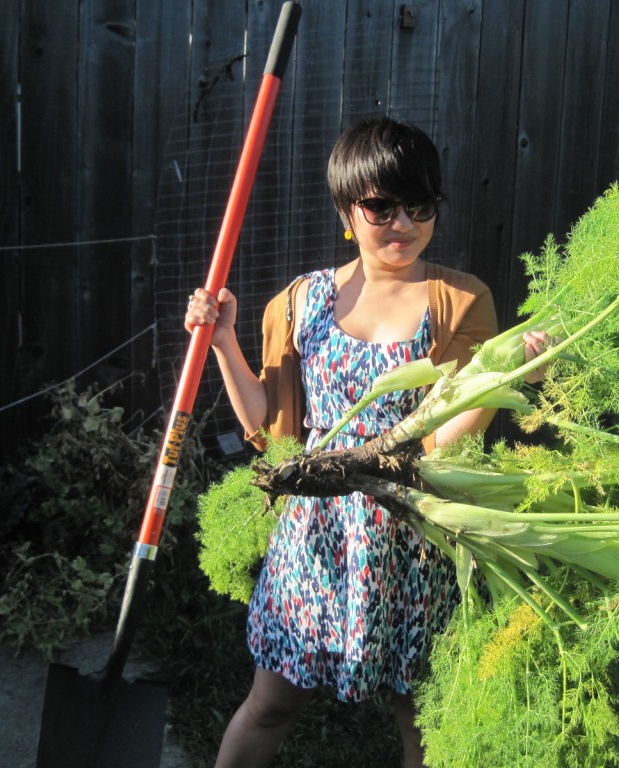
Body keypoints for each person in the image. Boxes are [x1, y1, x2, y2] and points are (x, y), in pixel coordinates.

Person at [185, 116, 548, 768]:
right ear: (347, 212)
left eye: (420, 206)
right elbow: (270, 426)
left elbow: (441, 447)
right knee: (271, 701)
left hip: (412, 539)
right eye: (381, 207)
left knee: (424, 722)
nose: (402, 223)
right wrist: (220, 342)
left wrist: (499, 384)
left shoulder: (458, 302)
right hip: (315, 537)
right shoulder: (300, 304)